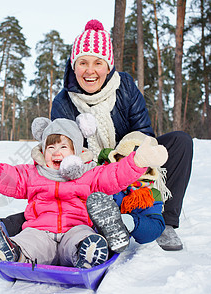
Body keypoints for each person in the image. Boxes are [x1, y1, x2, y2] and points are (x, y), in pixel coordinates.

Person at [0, 115, 168, 268]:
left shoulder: (89, 174)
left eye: (64, 147)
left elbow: (115, 175)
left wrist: (139, 161)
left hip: (75, 229)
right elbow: (5, 176)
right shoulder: (32, 173)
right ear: (43, 151)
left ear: (76, 151)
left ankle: (87, 254)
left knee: (82, 239)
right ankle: (12, 252)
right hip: (40, 230)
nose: (56, 152)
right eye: (50, 147)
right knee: (29, 242)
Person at [50, 19, 193, 251]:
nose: (90, 71)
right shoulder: (63, 102)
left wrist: (125, 157)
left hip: (130, 161)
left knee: (180, 142)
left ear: (108, 66)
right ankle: (90, 220)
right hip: (92, 174)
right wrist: (98, 164)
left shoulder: (125, 86)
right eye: (83, 62)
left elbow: (145, 133)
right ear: (73, 66)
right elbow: (62, 151)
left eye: (98, 62)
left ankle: (166, 222)